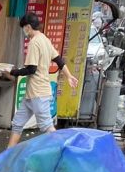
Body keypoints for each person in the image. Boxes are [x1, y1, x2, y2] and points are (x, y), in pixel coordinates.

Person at [5, 12, 78, 147]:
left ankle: (64, 149)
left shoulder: (34, 42)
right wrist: (69, 76)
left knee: (47, 126)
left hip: (38, 93)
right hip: (31, 94)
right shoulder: (44, 38)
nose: (24, 31)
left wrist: (12, 71)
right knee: (17, 123)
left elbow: (31, 69)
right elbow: (59, 60)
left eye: (23, 28)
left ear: (27, 27)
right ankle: (9, 152)